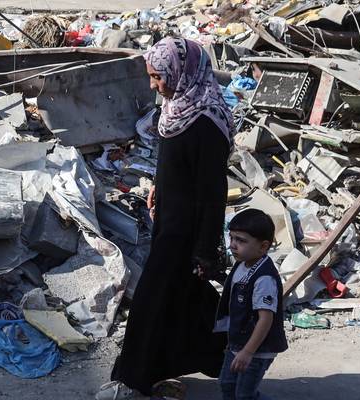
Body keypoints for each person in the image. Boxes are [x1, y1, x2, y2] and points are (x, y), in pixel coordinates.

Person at [113, 37, 234, 395]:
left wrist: (206, 251)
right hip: (169, 219)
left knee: (152, 300)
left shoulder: (207, 120)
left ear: (182, 71)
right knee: (184, 299)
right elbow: (171, 163)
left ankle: (133, 377)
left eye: (157, 77)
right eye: (151, 77)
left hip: (188, 231)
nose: (154, 85)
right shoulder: (177, 107)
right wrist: (158, 188)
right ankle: (228, 351)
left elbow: (213, 192)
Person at [215, 209, 288, 400]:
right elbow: (237, 288)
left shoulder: (264, 278)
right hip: (238, 343)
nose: (233, 245)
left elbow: (266, 319)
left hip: (257, 349)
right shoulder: (243, 263)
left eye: (241, 240)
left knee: (244, 394)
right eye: (231, 238)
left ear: (263, 246)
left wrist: (248, 352)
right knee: (226, 384)